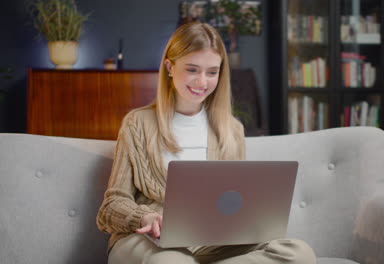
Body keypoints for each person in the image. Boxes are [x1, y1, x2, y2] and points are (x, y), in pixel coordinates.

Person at [96, 22, 317, 264]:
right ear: (170, 67)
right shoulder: (137, 123)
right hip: (146, 240)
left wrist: (250, 221)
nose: (202, 82)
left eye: (212, 72)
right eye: (192, 69)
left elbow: (235, 203)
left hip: (210, 242)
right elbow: (111, 206)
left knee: (299, 254)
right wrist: (144, 217)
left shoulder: (231, 129)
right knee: (170, 262)